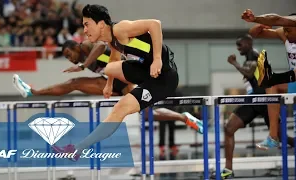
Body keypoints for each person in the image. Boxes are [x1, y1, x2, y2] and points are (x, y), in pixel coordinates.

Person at [50, 4, 190, 160]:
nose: (85, 30)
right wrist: (109, 84)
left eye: (87, 25)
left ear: (101, 24)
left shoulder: (120, 29)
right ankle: (78, 149)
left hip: (164, 76)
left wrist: (157, 59)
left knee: (120, 108)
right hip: (145, 71)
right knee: (110, 67)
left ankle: (78, 148)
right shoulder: (112, 41)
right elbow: (115, 58)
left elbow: (154, 24)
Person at [13, 40, 203, 132]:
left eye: (69, 53)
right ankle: (33, 92)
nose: (69, 58)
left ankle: (184, 117)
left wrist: (84, 64)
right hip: (113, 82)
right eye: (66, 56)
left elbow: (101, 45)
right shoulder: (81, 57)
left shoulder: (86, 47)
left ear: (77, 47)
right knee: (74, 84)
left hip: (128, 77)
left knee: (146, 113)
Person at [210, 35, 294, 179]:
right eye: (237, 45)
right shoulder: (249, 57)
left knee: (283, 137)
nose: (238, 48)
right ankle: (227, 170)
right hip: (253, 100)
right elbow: (251, 74)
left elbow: (249, 72)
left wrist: (234, 62)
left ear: (248, 43)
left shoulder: (256, 55)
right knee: (229, 128)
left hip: (265, 100)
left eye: (240, 44)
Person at [241, 10, 296, 149]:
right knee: (271, 85)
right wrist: (258, 26)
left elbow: (276, 18)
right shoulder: (284, 34)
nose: (286, 34)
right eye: (285, 31)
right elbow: (252, 35)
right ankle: (273, 137)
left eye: (288, 30)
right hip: (294, 81)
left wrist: (256, 18)